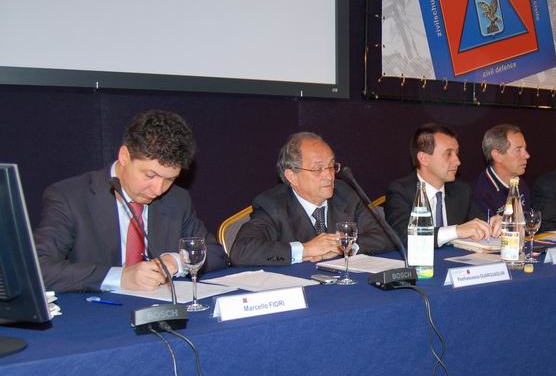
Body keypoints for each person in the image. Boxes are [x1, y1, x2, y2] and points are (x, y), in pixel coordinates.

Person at [35, 110, 227, 293]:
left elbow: (215, 254)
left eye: (170, 179)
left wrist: (176, 261)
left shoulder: (177, 199)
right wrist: (120, 277)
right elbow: (39, 268)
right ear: (124, 156)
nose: (158, 190)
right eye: (150, 175)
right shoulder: (70, 198)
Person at [230, 132, 392, 266]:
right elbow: (241, 251)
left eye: (331, 166)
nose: (329, 176)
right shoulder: (272, 205)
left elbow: (387, 236)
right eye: (317, 169)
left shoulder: (346, 193)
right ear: (292, 176)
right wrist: (305, 249)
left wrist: (342, 246)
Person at [385, 124, 497, 247]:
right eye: (448, 154)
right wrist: (456, 231)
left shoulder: (462, 191)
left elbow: (479, 224)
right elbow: (404, 236)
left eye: (457, 153)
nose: (458, 161)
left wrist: (493, 225)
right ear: (424, 158)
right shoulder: (400, 192)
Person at [471, 124, 532, 217]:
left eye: (525, 149)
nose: (527, 155)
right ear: (497, 156)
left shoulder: (520, 184)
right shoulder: (479, 193)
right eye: (518, 150)